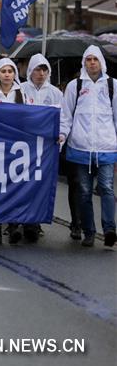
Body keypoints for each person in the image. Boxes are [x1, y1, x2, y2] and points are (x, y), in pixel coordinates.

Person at [59, 46, 117, 249]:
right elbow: (66, 115)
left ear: (101, 62)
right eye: (88, 59)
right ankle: (89, 231)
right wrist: (62, 135)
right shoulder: (75, 86)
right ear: (84, 62)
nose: (92, 62)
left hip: (106, 147)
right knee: (84, 191)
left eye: (95, 59)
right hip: (81, 148)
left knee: (107, 188)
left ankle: (110, 229)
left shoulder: (113, 86)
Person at [0, 58, 31, 245]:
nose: (7, 74)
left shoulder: (21, 93)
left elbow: (28, 116)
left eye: (10, 71)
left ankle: (14, 223)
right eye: (4, 71)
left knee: (15, 186)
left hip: (15, 147)